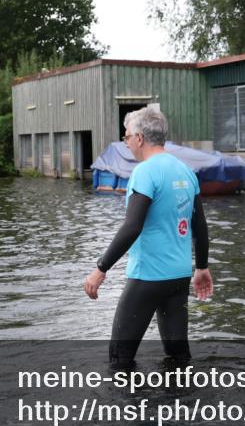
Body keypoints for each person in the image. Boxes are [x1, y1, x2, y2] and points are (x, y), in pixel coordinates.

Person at [83, 105, 213, 367]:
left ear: (139, 138)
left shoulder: (144, 172)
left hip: (148, 277)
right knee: (178, 357)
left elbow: (132, 226)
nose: (126, 142)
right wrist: (201, 267)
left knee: (119, 358)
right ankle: (182, 404)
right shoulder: (185, 171)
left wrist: (101, 268)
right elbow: (200, 225)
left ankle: (128, 408)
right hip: (178, 277)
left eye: (127, 136)